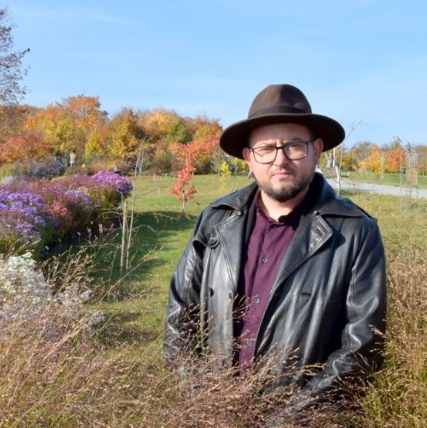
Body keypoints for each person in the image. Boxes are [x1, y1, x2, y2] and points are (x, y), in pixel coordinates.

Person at [164, 84, 386, 420]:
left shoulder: (355, 232)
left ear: (317, 150)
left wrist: (287, 419)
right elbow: (180, 315)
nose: (280, 160)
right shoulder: (215, 221)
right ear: (249, 158)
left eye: (294, 146)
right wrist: (204, 399)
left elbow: (362, 346)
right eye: (266, 148)